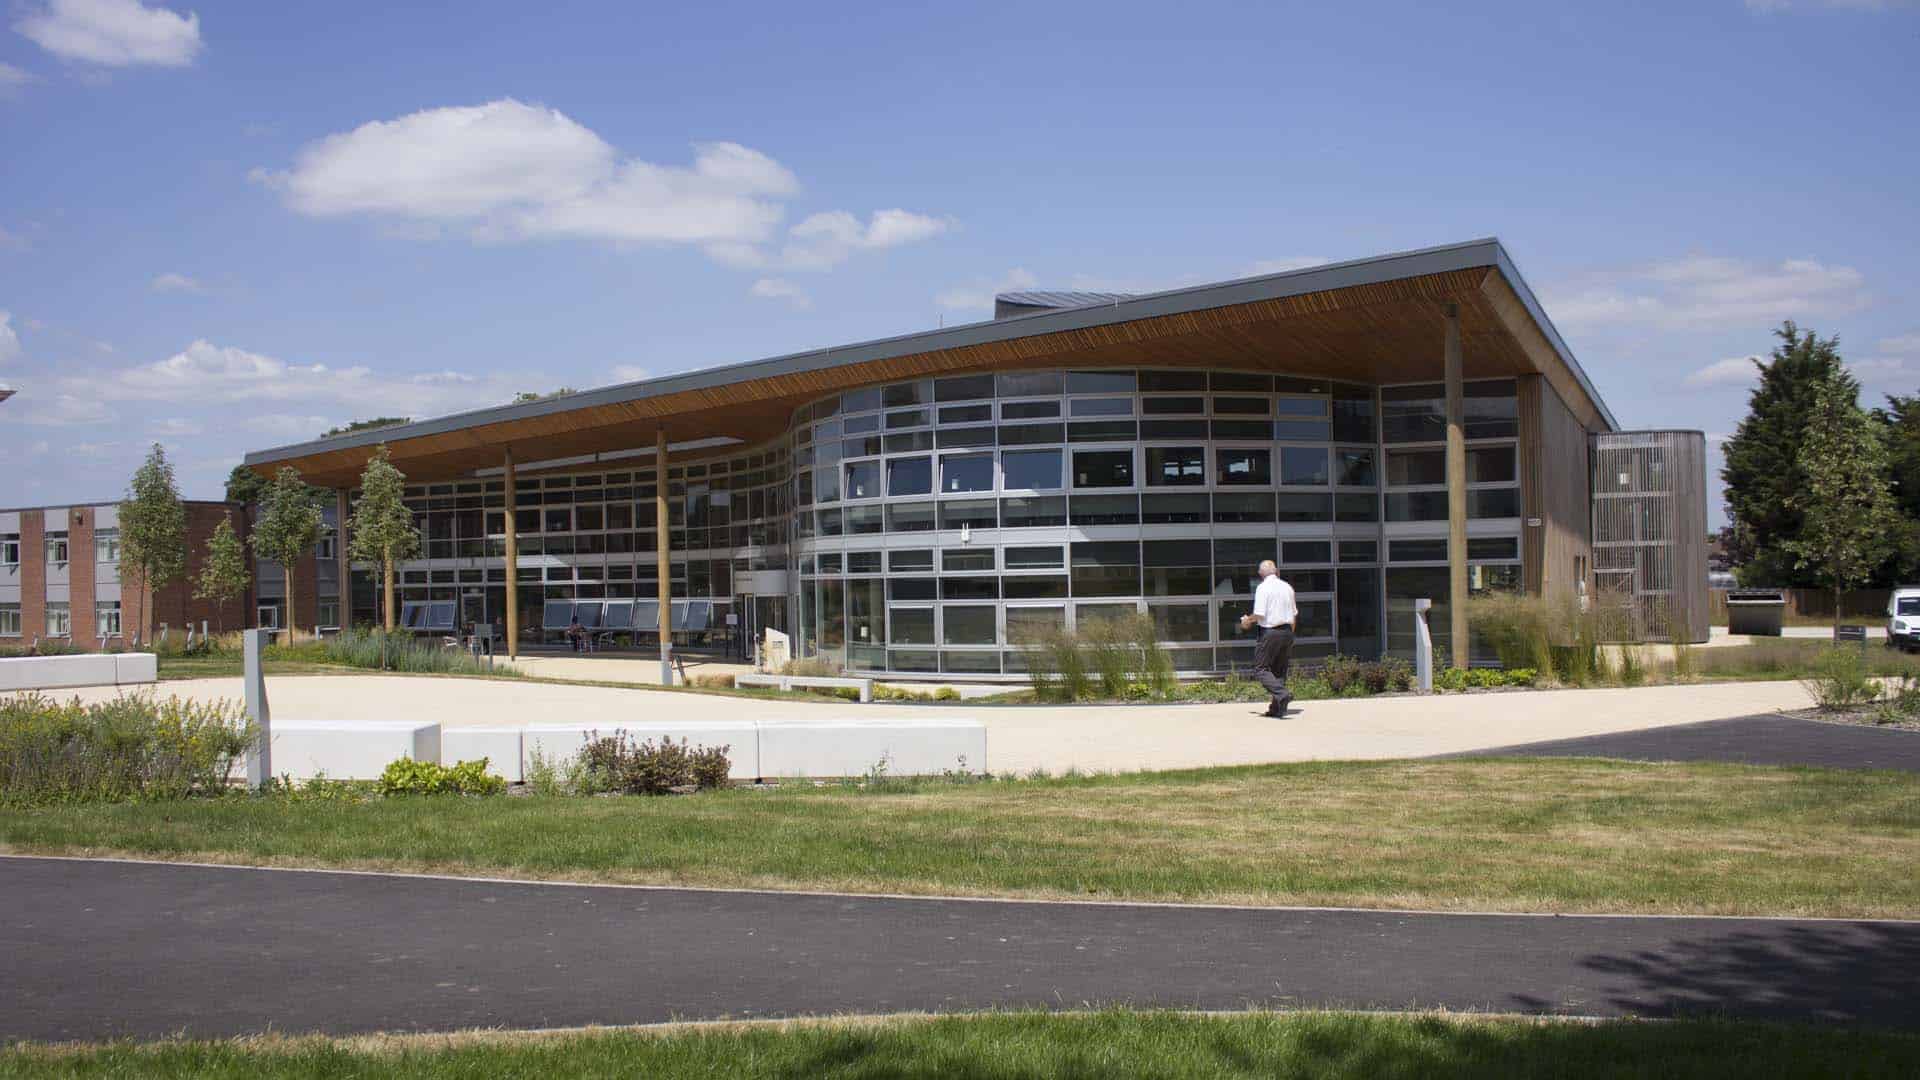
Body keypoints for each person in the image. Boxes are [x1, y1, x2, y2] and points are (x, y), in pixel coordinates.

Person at [1238, 558, 1297, 717]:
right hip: (1287, 631)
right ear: (1276, 571)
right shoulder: (1287, 587)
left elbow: (1259, 614)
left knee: (1260, 669)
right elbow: (1293, 614)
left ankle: (1282, 694)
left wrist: (1246, 621)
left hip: (1270, 632)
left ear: (1260, 574)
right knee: (1279, 671)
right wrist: (1290, 635)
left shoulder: (1263, 588)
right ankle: (1277, 708)